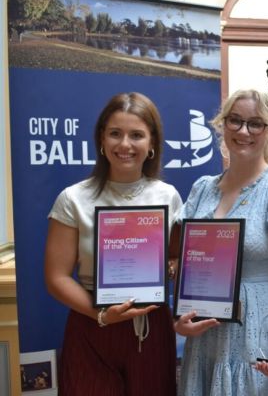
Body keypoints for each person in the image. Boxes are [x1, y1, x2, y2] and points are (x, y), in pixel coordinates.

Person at [173, 89, 268, 395]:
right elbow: (188, 265)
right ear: (222, 125)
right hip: (206, 336)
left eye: (255, 123)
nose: (243, 131)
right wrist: (179, 319)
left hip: (260, 332)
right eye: (235, 121)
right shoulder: (202, 190)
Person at [44, 92, 182, 396]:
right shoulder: (73, 198)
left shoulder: (168, 196)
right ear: (102, 140)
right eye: (115, 133)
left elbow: (175, 258)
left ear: (152, 144)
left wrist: (169, 270)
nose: (125, 145)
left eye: (137, 135)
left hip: (150, 326)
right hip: (92, 325)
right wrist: (101, 315)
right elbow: (56, 277)